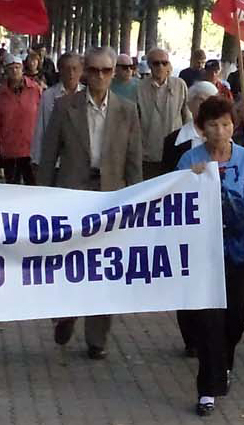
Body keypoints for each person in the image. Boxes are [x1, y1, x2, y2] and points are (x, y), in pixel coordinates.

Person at [177, 96, 244, 416]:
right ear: (201, 129)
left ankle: (225, 362)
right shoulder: (190, 161)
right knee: (209, 320)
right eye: (213, 125)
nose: (220, 132)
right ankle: (208, 388)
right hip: (202, 255)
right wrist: (187, 180)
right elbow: (173, 204)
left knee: (236, 317)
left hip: (238, 252)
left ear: (233, 126)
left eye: (225, 124)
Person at [38, 46, 143, 359]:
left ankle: (97, 337)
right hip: (72, 195)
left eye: (106, 71)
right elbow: (48, 156)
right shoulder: (64, 106)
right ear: (84, 70)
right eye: (94, 70)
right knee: (71, 262)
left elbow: (133, 160)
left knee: (103, 268)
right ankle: (67, 314)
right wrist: (43, 198)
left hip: (110, 196)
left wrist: (135, 201)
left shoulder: (126, 109)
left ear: (115, 73)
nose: (99, 76)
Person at [160, 80, 220, 357]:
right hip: (185, 222)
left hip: (217, 223)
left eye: (212, 101)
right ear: (191, 104)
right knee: (186, 276)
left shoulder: (226, 141)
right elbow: (164, 183)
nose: (206, 108)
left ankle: (212, 330)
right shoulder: (174, 142)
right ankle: (191, 335)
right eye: (201, 101)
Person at [136, 46, 192, 179]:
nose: (160, 66)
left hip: (176, 152)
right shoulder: (139, 88)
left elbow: (187, 116)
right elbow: (135, 121)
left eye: (164, 63)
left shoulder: (180, 85)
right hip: (149, 155)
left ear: (169, 65)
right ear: (149, 65)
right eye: (156, 63)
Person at [0, 54, 43, 185]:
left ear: (22, 69)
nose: (14, 71)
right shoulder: (1, 94)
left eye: (17, 67)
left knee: (33, 186)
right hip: (9, 149)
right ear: (6, 71)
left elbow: (43, 116)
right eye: (11, 68)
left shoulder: (35, 89)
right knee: (12, 187)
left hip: (31, 149)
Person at [31, 51, 83, 168]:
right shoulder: (48, 96)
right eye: (67, 69)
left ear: (81, 71)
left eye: (75, 69)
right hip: (54, 161)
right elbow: (41, 127)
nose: (71, 73)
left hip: (80, 163)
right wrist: (36, 159)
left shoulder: (87, 96)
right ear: (60, 70)